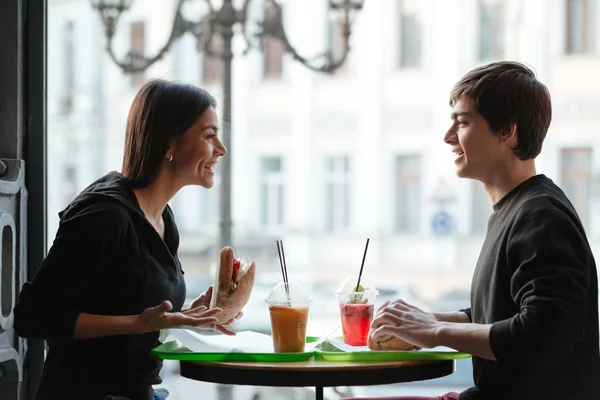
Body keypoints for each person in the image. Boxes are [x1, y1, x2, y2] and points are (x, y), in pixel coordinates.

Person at [342, 61, 600, 400]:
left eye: (462, 122)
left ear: (507, 131)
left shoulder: (540, 215)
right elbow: (502, 315)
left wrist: (435, 331)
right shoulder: (519, 208)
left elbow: (545, 334)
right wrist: (425, 319)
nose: (448, 137)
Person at [14, 79, 241, 400]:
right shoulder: (105, 215)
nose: (221, 149)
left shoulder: (163, 218)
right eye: (209, 135)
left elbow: (127, 306)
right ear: (168, 143)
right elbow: (32, 317)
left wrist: (191, 313)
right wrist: (137, 323)